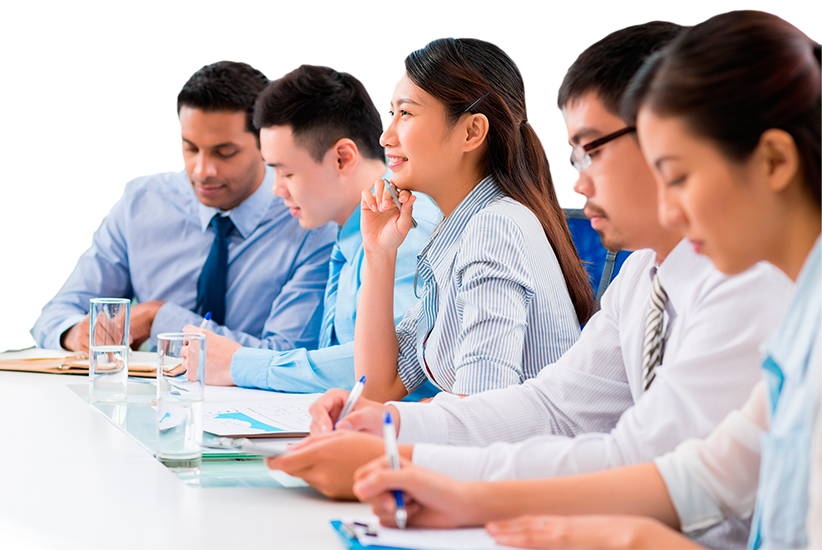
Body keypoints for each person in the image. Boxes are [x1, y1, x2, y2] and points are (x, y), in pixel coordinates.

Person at [267, 22, 795, 549]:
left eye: (595, 151)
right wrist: (390, 428)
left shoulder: (749, 282)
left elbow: (649, 461)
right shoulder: (643, 274)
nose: (578, 183)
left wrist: (407, 456)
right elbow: (556, 408)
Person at [33, 61, 336, 353]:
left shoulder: (310, 220)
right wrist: (76, 333)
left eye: (225, 152)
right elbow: (59, 313)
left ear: (265, 143)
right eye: (190, 148)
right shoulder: (142, 203)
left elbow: (289, 356)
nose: (203, 170)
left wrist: (160, 318)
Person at [353, 37, 593, 403]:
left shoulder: (495, 228)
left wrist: (409, 417)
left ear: (471, 132)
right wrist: (378, 253)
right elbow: (376, 388)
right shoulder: (467, 227)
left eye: (406, 113)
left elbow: (480, 409)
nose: (386, 136)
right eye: (390, 113)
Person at [180, 64, 440, 392]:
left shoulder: (407, 230)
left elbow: (390, 364)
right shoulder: (346, 236)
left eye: (286, 173)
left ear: (342, 158)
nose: (277, 189)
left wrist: (239, 364)